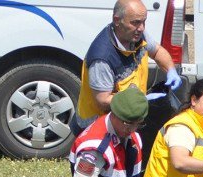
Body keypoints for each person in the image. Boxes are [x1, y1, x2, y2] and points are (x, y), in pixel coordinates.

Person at [74, 0, 181, 131]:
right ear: (117, 20)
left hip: (128, 119)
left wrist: (171, 70)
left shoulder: (136, 35)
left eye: (144, 21)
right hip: (99, 128)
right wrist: (142, 100)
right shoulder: (102, 59)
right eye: (135, 22)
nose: (141, 28)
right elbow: (103, 101)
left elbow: (157, 51)